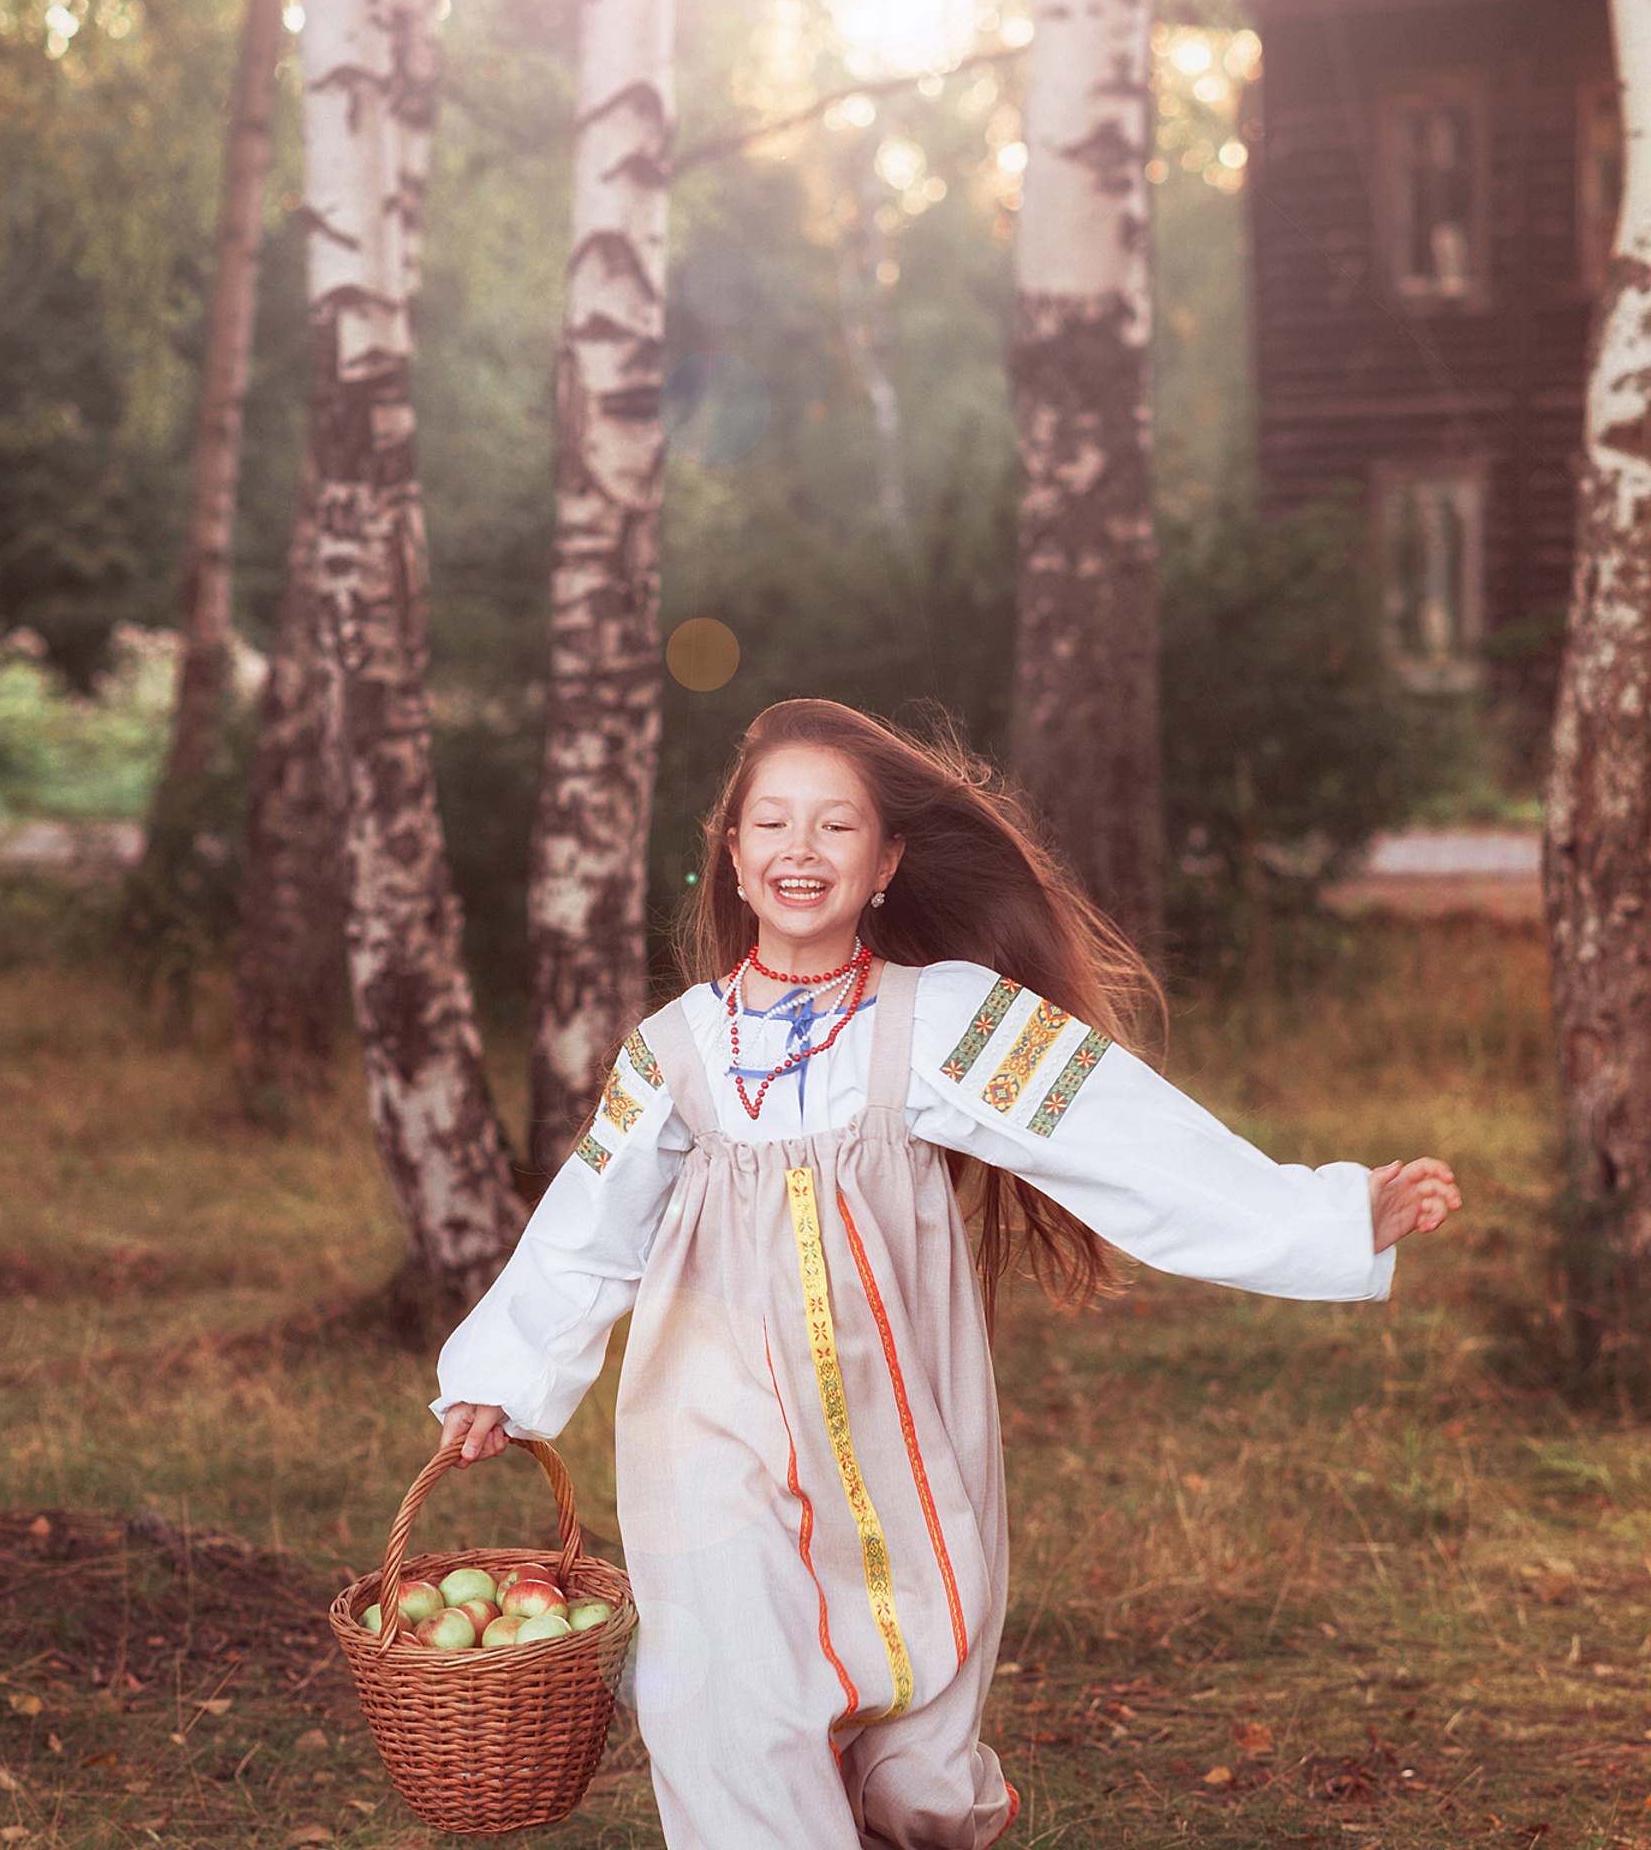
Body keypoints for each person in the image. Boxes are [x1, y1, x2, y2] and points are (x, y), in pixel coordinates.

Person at [434, 698, 1458, 1850]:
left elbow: (1124, 1138)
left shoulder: (940, 1021)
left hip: (897, 1423)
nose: (800, 849)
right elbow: (587, 1223)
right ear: (732, 855)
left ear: (886, 863)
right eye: (772, 824)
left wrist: (1332, 1217)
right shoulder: (673, 1049)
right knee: (727, 1698)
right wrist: (504, 1374)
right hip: (705, 1418)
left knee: (915, 1759)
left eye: (836, 826)